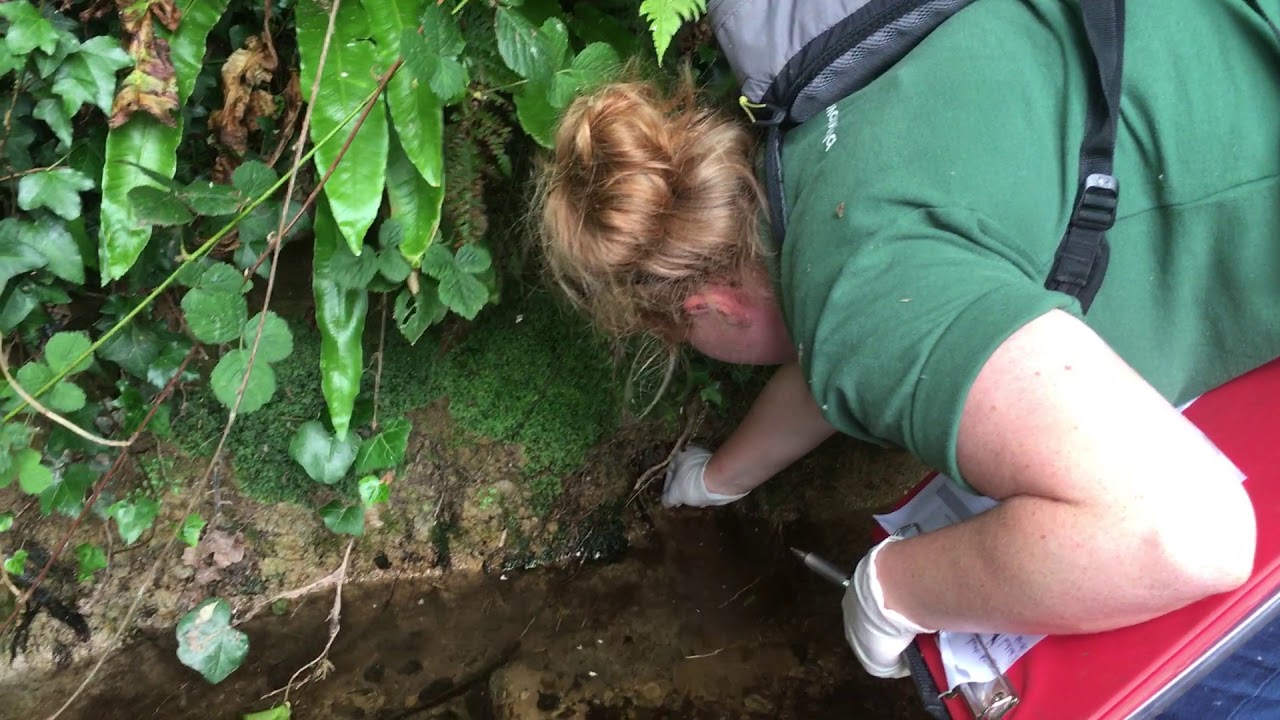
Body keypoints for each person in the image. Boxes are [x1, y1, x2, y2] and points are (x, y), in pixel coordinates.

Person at [535, 0, 1280, 713]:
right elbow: (872, 307)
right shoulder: (824, 118)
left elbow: (1189, 534)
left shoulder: (855, 295)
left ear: (707, 309)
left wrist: (898, 589)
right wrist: (722, 480)